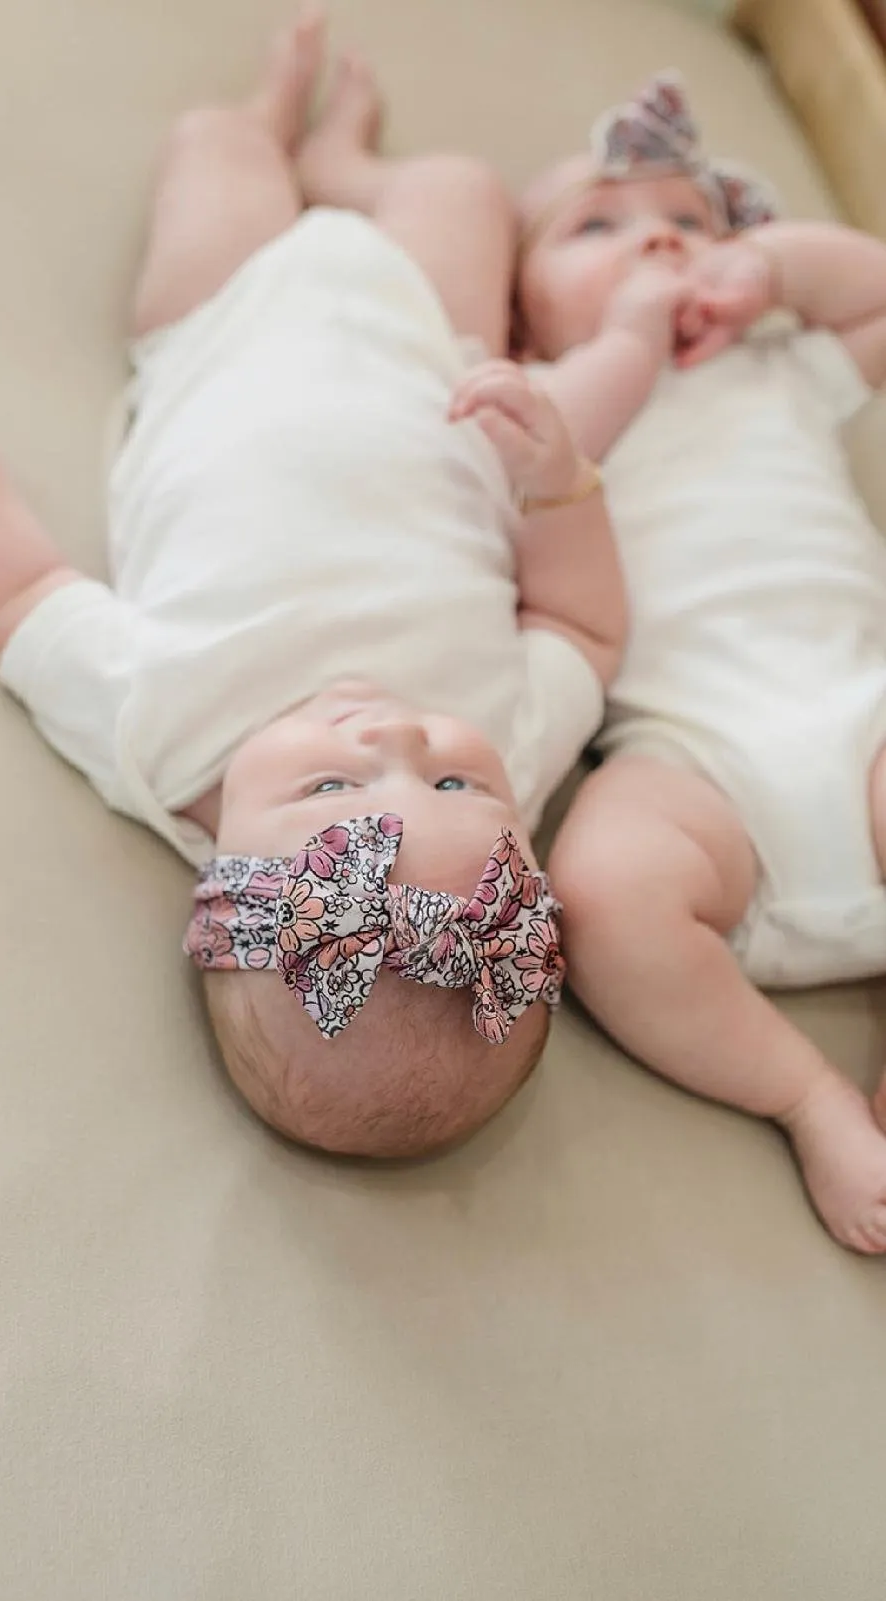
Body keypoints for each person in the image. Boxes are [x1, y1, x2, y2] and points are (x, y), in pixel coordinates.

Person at [0, 13, 624, 1160]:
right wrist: (558, 489)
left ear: (227, 873)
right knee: (460, 188)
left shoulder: (156, 731)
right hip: (431, 346)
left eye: (334, 778)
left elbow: (16, 588)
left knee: (211, 151)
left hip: (219, 324)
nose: (392, 729)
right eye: (455, 777)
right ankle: (351, 163)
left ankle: (267, 121)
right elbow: (582, 624)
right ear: (528, 855)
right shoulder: (527, 740)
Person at [466, 70, 886, 1251]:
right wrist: (631, 336)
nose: (657, 236)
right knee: (600, 896)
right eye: (595, 227)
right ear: (517, 319)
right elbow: (531, 475)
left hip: (865, 699)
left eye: (692, 222)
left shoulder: (783, 366)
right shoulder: (550, 400)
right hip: (693, 756)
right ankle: (806, 1095)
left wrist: (779, 276)